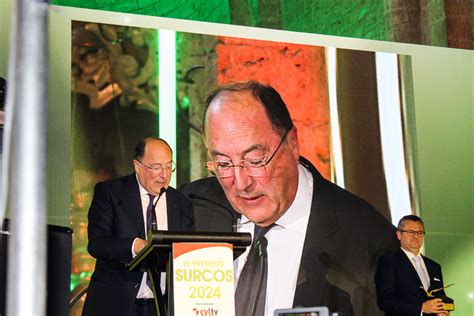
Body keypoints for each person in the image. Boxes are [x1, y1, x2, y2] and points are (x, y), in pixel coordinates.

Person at [181, 81, 398, 316]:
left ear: (292, 143)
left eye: (255, 160)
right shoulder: (186, 208)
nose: (241, 183)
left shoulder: (371, 241)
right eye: (223, 164)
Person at [83, 137, 195, 316]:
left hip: (162, 307)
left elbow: (188, 252)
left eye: (168, 167)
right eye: (156, 167)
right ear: (137, 165)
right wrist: (136, 246)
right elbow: (97, 244)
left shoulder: (181, 203)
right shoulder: (111, 192)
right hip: (116, 304)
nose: (164, 175)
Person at [375, 215, 449, 316]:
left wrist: (444, 312)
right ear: (399, 235)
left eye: (420, 233)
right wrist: (421, 308)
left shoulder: (434, 266)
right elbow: (385, 301)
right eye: (411, 232)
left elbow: (441, 297)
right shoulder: (389, 262)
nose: (416, 236)